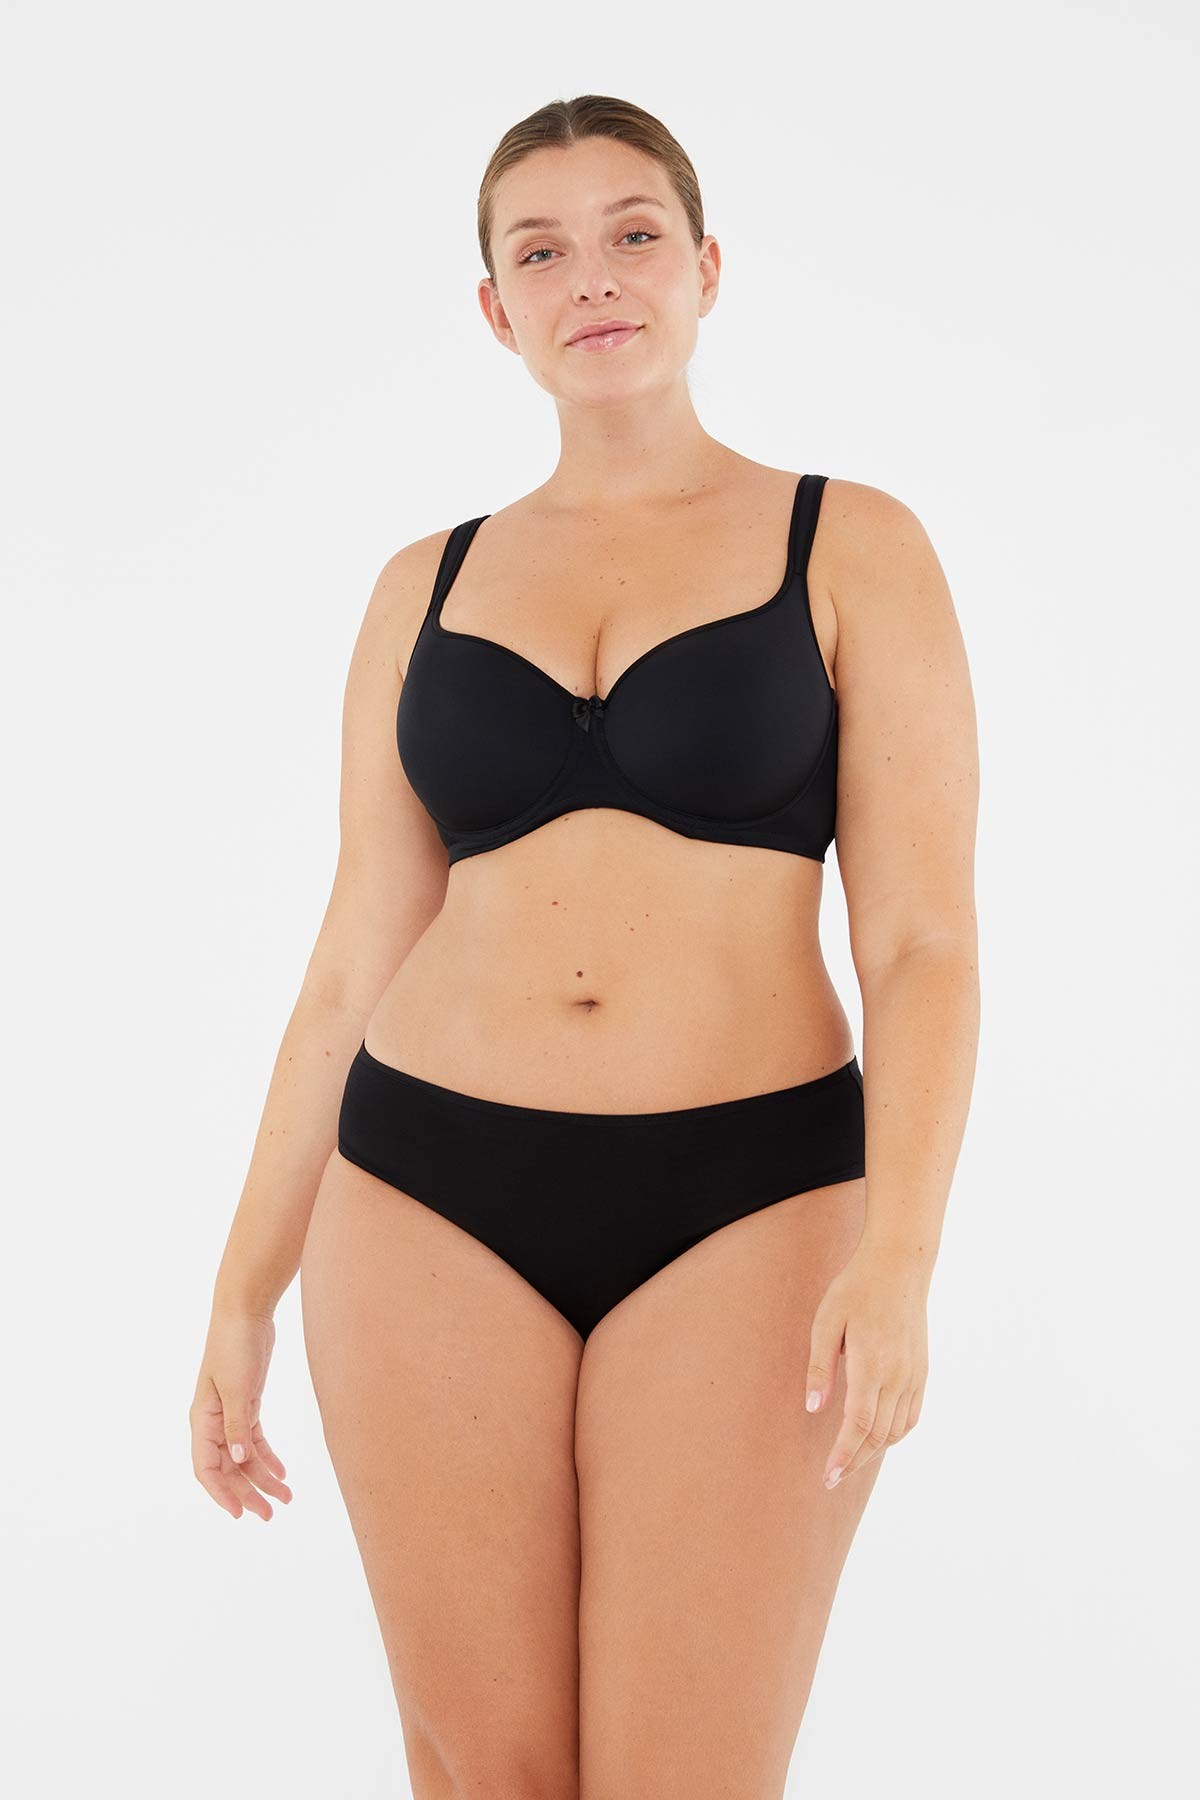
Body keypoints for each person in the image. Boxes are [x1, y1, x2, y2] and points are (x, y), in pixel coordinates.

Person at [190, 93, 980, 1799]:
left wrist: (904, 1252)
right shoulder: (424, 584)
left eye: (633, 235)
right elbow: (350, 957)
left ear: (706, 268)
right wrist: (244, 1288)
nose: (594, 277)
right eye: (540, 252)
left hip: (753, 1198)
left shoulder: (851, 543)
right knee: (488, 1775)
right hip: (423, 1194)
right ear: (496, 310)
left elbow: (923, 942)